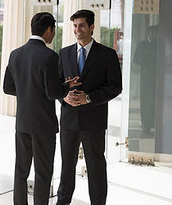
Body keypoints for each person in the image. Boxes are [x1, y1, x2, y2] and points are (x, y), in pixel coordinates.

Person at [3, 12, 81, 205]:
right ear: (48, 30)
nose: (53, 35)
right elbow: (53, 92)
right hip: (43, 125)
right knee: (43, 172)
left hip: (22, 123)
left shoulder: (15, 54)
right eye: (54, 31)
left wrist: (28, 93)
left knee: (20, 171)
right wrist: (67, 86)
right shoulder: (49, 56)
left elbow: (8, 87)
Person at [56, 10, 122, 205]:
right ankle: (62, 201)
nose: (77, 30)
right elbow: (57, 85)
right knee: (67, 165)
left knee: (96, 166)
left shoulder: (107, 54)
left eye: (82, 25)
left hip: (93, 120)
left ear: (92, 27)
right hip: (69, 120)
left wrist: (90, 98)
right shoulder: (64, 53)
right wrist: (64, 97)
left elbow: (115, 86)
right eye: (75, 26)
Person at [133, 25, 158, 135]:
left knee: (154, 100)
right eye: (152, 33)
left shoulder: (159, 44)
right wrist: (146, 61)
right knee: (145, 100)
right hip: (146, 77)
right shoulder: (142, 45)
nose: (154, 35)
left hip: (157, 77)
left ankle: (153, 122)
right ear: (148, 33)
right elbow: (136, 59)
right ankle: (145, 123)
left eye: (155, 33)